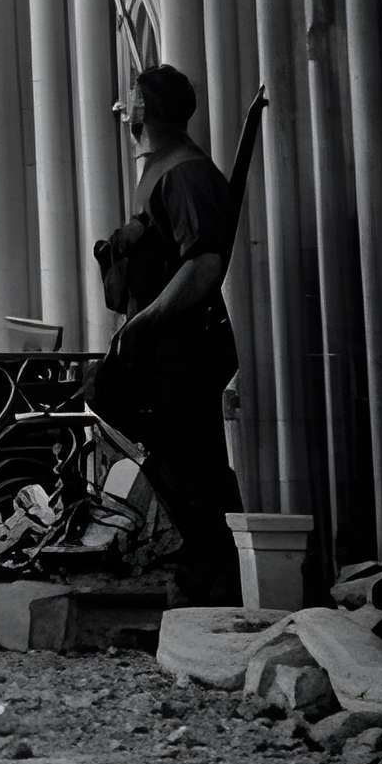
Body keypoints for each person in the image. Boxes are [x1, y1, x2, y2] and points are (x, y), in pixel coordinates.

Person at [109, 61, 243, 605]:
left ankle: (219, 580)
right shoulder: (162, 168)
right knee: (172, 460)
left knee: (194, 467)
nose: (124, 108)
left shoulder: (184, 171)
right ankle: (204, 572)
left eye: (131, 98)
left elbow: (204, 264)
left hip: (182, 348)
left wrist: (147, 320)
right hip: (162, 346)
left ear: (145, 109)